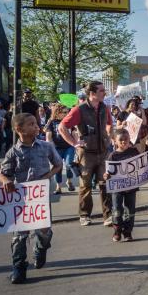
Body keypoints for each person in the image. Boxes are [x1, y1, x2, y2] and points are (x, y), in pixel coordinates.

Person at [0, 113, 63, 284]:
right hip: (21, 199)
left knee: (44, 232)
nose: (36, 126)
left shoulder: (46, 146)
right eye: (31, 124)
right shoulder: (13, 152)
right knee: (20, 235)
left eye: (36, 123)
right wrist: (6, 182)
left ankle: (40, 249)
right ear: (19, 129)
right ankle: (19, 267)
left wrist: (47, 176)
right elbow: (3, 174)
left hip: (40, 197)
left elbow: (58, 165)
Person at [59, 81, 113, 227]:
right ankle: (84, 215)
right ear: (92, 93)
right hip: (86, 154)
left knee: (106, 184)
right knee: (85, 185)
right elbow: (62, 127)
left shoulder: (104, 107)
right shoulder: (79, 110)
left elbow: (109, 124)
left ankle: (108, 216)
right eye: (102, 90)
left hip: (102, 152)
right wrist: (74, 143)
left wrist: (109, 136)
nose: (104, 93)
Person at [104, 129, 140, 242]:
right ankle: (117, 230)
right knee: (117, 210)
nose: (124, 142)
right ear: (115, 141)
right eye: (121, 140)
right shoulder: (113, 156)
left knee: (130, 210)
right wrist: (106, 176)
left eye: (126, 139)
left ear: (130, 139)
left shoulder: (134, 152)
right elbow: (108, 172)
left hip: (131, 187)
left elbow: (141, 164)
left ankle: (128, 232)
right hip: (117, 189)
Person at [45, 105, 76, 194]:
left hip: (69, 146)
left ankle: (69, 181)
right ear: (58, 112)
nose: (67, 114)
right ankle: (58, 187)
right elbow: (48, 136)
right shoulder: (51, 122)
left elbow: (74, 133)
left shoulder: (69, 121)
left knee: (69, 164)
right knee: (58, 167)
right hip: (57, 148)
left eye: (68, 112)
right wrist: (51, 148)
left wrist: (77, 144)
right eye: (65, 112)